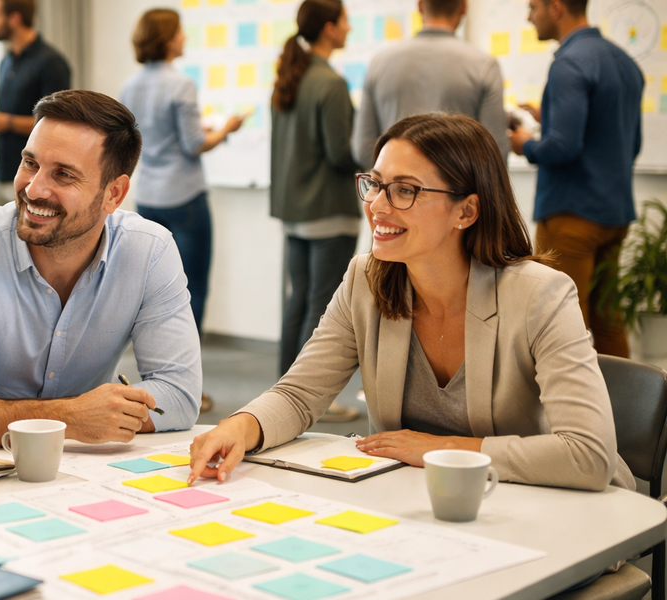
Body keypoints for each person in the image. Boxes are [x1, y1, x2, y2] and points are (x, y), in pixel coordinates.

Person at [189, 113, 633, 494]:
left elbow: (587, 454)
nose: (378, 206)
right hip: (425, 503)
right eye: (376, 185)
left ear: (467, 212)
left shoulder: (540, 294)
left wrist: (441, 448)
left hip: (546, 505)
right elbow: (300, 394)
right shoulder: (366, 278)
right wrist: (239, 427)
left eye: (406, 190)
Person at [0, 90, 202, 446]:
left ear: (114, 195)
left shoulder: (149, 250)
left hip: (86, 469)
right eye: (30, 163)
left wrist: (87, 418)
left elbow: (179, 394)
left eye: (63, 175)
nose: (34, 187)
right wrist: (68, 418)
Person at [119, 8, 242, 414]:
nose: (184, 38)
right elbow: (193, 144)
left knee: (150, 292)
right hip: (185, 197)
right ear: (167, 38)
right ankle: (190, 387)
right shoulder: (181, 84)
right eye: (179, 33)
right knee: (191, 294)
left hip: (149, 195)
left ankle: (152, 383)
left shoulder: (130, 85)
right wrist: (226, 130)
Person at [509, 0, 643, 359]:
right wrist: (548, 117)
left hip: (572, 216)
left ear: (556, 8)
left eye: (533, 6)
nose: (528, 15)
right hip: (614, 215)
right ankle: (624, 413)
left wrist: (526, 144)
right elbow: (629, 142)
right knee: (608, 321)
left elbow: (563, 148)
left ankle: (566, 415)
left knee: (561, 322)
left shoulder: (568, 63)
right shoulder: (624, 63)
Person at [269, 0, 360, 422]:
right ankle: (307, 403)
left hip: (295, 211)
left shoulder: (293, 77)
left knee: (298, 301)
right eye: (344, 21)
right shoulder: (330, 83)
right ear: (328, 28)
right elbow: (342, 154)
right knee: (322, 307)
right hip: (328, 208)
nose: (349, 27)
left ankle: (283, 394)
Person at [351, 0, 507, 167]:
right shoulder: (484, 66)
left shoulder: (379, 63)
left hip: (395, 188)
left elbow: (363, 150)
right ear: (463, 8)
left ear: (419, 6)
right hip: (454, 190)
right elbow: (495, 153)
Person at [0, 0, 71, 208]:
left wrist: (6, 122)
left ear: (14, 18)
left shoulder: (51, 63)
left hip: (34, 178)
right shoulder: (5, 61)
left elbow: (58, 124)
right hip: (2, 171)